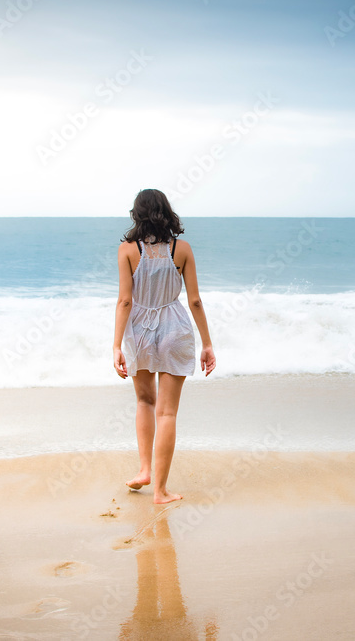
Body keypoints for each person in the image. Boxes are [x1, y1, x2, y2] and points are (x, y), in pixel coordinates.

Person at [113, 188, 216, 504]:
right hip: (175, 327)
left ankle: (145, 470)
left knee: (144, 401)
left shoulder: (129, 250)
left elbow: (125, 300)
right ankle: (160, 491)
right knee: (167, 413)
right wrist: (207, 344)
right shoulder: (181, 249)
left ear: (137, 214)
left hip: (140, 330)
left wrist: (116, 345)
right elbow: (194, 299)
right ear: (166, 213)